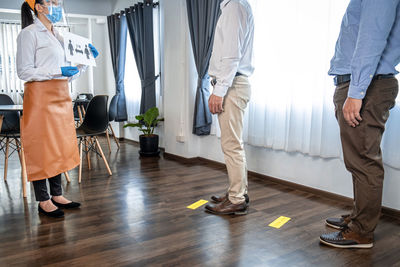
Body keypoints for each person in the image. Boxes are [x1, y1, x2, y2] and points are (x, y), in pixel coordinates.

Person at [320, 0, 400, 248]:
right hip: (364, 83)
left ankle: (361, 232)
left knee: (364, 162)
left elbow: (371, 37)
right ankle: (358, 219)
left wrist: (356, 93)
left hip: (366, 85)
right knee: (358, 161)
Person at [17, 0, 99, 218]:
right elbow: (24, 71)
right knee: (42, 147)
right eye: (53, 2)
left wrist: (84, 62)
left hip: (61, 95)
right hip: (40, 98)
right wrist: (57, 69)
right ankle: (43, 199)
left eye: (59, 3)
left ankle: (57, 194)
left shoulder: (61, 37)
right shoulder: (29, 33)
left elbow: (67, 74)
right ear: (40, 7)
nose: (58, 6)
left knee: (58, 146)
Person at [204, 0, 254, 215]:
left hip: (232, 85)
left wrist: (219, 91)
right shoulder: (234, 5)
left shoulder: (234, 6)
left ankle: (236, 199)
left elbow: (232, 54)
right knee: (234, 144)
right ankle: (237, 191)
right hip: (232, 83)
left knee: (231, 145)